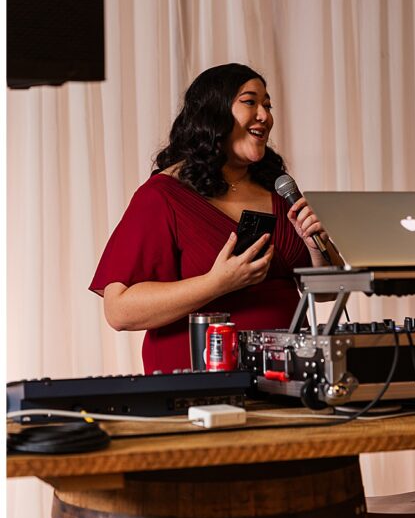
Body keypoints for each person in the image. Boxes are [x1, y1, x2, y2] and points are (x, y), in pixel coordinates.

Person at [91, 63, 339, 374]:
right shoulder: (162, 196)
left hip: (287, 377)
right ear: (214, 112)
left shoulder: (277, 187)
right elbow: (119, 310)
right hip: (200, 383)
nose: (265, 115)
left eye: (267, 105)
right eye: (250, 102)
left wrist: (316, 249)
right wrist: (215, 284)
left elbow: (328, 291)